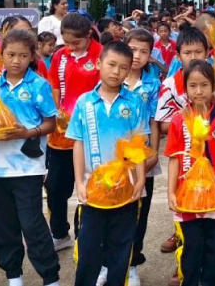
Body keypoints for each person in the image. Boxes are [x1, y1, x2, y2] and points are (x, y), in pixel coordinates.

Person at [0, 29, 60, 286]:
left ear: (32, 56)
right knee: (3, 225)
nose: (16, 61)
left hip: (28, 168)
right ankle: (14, 276)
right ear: (1, 55)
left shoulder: (39, 85)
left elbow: (51, 123)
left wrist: (27, 132)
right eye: (11, 55)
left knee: (32, 224)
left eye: (23, 56)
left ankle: (50, 277)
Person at [68, 42, 149, 286]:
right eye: (111, 65)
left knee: (122, 246)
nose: (116, 72)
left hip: (125, 190)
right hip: (93, 191)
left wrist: (141, 179)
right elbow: (78, 144)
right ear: (99, 64)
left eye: (123, 68)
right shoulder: (84, 102)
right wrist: (79, 182)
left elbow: (138, 144)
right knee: (88, 247)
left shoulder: (134, 102)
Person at [165, 60, 215, 286]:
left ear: (214, 87)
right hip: (188, 199)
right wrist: (171, 192)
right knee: (191, 248)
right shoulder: (179, 120)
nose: (199, 91)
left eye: (204, 85)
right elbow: (174, 158)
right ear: (185, 88)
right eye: (193, 85)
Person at [46, 12, 103, 251]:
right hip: (61, 134)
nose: (70, 47)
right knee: (55, 186)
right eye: (66, 42)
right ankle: (60, 233)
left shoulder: (101, 55)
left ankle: (84, 237)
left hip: (91, 133)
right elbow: (55, 86)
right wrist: (56, 111)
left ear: (89, 35)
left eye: (76, 42)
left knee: (88, 186)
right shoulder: (60, 55)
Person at [155, 27, 212, 255]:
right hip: (185, 153)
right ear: (178, 55)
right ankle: (181, 240)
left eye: (198, 52)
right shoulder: (170, 85)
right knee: (184, 194)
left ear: (207, 53)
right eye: (187, 53)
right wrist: (190, 122)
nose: (193, 57)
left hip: (212, 150)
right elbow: (163, 124)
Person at [123, 29, 163, 286]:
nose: (137, 56)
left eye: (144, 51)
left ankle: (132, 263)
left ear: (151, 54)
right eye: (132, 49)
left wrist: (154, 153)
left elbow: (154, 121)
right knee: (113, 209)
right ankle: (109, 262)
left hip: (143, 158)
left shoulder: (152, 84)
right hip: (113, 157)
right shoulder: (111, 77)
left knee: (140, 211)